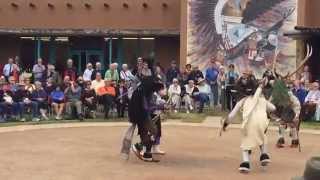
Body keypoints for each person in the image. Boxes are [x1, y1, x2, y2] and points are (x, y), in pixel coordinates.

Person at [223, 80, 276, 173]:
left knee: (245, 143)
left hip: (250, 123)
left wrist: (225, 124)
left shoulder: (242, 101)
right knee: (262, 136)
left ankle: (246, 163)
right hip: (263, 122)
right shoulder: (262, 99)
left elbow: (231, 115)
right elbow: (273, 108)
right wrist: (266, 108)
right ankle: (264, 155)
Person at [129, 76, 165, 162]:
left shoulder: (144, 90)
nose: (155, 89)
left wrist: (160, 107)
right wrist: (159, 106)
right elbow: (146, 107)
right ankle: (138, 146)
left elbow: (148, 105)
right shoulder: (142, 92)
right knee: (154, 131)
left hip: (141, 114)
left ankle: (147, 155)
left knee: (146, 133)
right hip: (141, 115)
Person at [269, 79, 301, 148]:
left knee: (292, 124)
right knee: (282, 123)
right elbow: (270, 103)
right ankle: (281, 139)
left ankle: (294, 140)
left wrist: (296, 115)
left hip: (290, 109)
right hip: (280, 109)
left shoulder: (289, 94)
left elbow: (296, 104)